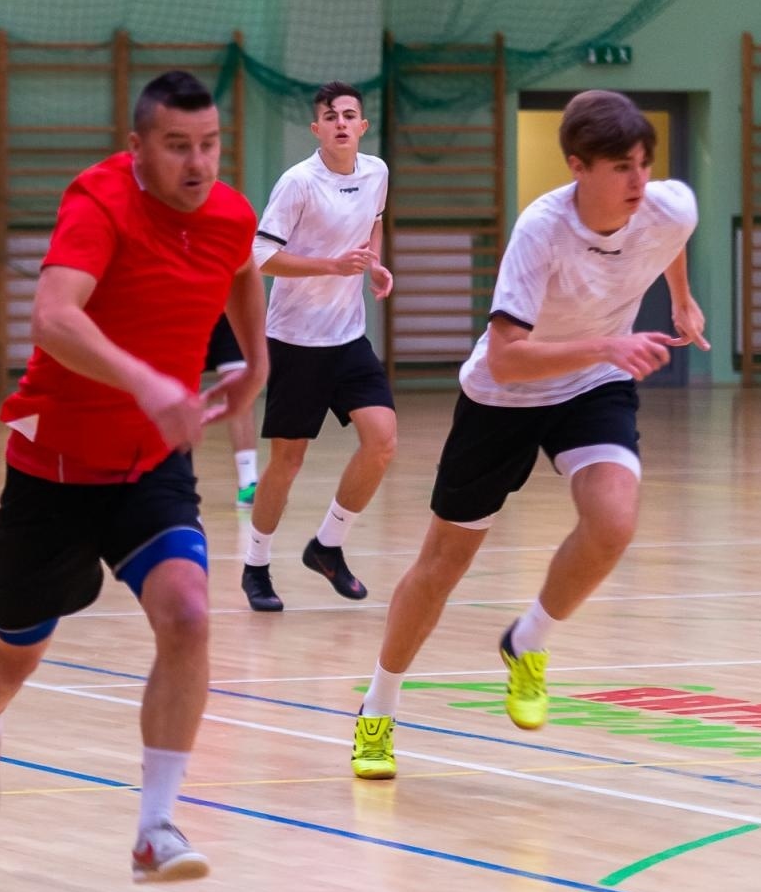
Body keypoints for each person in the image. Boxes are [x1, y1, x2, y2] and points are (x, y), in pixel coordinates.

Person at [0, 70, 267, 883]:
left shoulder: (229, 212)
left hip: (151, 467)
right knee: (10, 662)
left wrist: (255, 362)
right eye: (176, 147)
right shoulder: (97, 202)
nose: (198, 165)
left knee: (190, 615)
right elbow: (54, 316)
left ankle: (156, 827)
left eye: (210, 145)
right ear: (137, 148)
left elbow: (239, 266)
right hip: (51, 470)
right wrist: (150, 383)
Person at [349, 89, 709, 780]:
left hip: (591, 386)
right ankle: (377, 710)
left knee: (613, 523)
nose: (639, 181)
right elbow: (508, 355)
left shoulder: (670, 207)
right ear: (578, 166)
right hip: (504, 395)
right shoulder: (541, 231)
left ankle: (528, 641)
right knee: (441, 567)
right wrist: (607, 344)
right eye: (621, 169)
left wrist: (683, 297)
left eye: (643, 164)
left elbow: (673, 238)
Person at [240, 80, 396, 613]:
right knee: (287, 462)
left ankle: (327, 547)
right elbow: (260, 255)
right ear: (317, 128)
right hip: (295, 339)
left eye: (350, 115)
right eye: (331, 116)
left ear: (363, 125)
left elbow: (371, 224)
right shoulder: (298, 183)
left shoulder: (376, 172)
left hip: (348, 336)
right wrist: (331, 266)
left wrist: (373, 267)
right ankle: (255, 564)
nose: (342, 123)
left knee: (382, 440)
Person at [203, 314, 261, 507]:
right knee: (179, 392)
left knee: (240, 392)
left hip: (227, 312)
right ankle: (174, 484)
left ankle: (248, 483)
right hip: (186, 308)